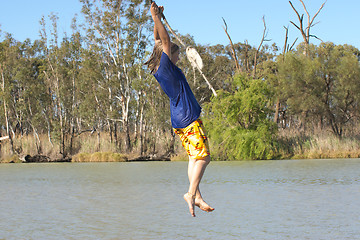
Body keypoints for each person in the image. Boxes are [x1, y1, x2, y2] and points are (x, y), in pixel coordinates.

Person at [145, 2, 214, 217]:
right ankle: (191, 193)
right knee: (204, 157)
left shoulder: (160, 67)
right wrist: (156, 17)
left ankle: (197, 195)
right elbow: (164, 41)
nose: (178, 57)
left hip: (180, 120)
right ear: (168, 55)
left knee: (194, 158)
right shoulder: (165, 66)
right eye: (176, 54)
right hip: (188, 118)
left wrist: (156, 17)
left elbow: (158, 40)